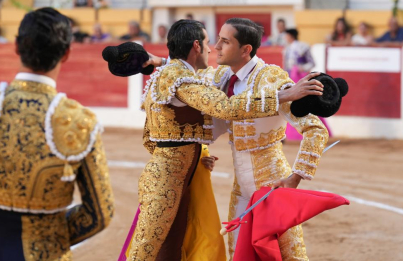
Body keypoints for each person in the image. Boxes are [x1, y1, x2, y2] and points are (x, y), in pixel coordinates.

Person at [127, 19, 324, 261]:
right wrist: (160, 61)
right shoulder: (221, 76)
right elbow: (188, 76)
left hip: (272, 184)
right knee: (239, 253)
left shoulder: (271, 79)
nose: (216, 46)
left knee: (287, 253)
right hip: (240, 187)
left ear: (245, 49)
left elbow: (315, 128)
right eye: (216, 39)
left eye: (225, 41)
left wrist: (296, 177)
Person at [0, 7, 114, 260]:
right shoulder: (79, 122)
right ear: (66, 53)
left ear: (16, 46)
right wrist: (49, 235)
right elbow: (100, 213)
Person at [284, 28, 331, 141]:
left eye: (286, 36)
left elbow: (312, 62)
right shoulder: (286, 49)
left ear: (290, 36)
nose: (285, 38)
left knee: (305, 102)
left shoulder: (302, 47)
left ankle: (313, 129)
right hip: (291, 78)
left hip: (301, 77)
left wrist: (301, 68)